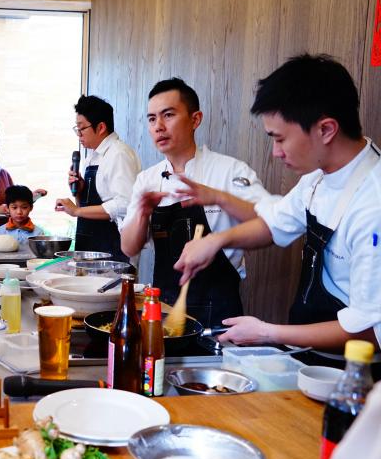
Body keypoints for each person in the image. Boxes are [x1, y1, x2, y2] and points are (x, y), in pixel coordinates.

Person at [174, 54, 381, 350]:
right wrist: (216, 240)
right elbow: (273, 225)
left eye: (280, 139)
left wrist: (268, 333)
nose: (275, 152)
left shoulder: (373, 204)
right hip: (314, 355)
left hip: (358, 373)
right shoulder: (318, 178)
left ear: (326, 129)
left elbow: (370, 332)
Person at [119, 78, 271, 328]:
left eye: (168, 115)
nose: (158, 126)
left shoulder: (230, 170)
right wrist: (143, 213)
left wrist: (219, 197)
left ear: (195, 119)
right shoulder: (147, 179)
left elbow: (270, 222)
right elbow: (129, 248)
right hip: (163, 308)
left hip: (219, 310)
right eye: (151, 119)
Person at [55, 95, 140, 262]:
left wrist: (76, 211)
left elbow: (126, 204)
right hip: (90, 248)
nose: (78, 135)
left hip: (114, 251)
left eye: (81, 129)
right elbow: (85, 209)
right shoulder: (91, 158)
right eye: (76, 129)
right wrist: (79, 192)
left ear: (101, 127)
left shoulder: (118, 154)